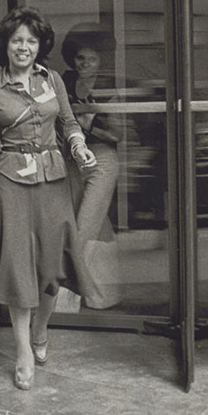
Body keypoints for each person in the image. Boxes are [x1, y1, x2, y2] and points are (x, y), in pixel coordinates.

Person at [0, 7, 96, 390]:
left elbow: (69, 123)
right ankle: (23, 349)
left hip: (54, 180)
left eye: (30, 41)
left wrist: (79, 148)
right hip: (10, 184)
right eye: (16, 41)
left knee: (51, 267)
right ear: (5, 46)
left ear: (40, 45)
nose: (23, 47)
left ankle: (42, 328)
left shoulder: (53, 80)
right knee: (18, 266)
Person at [60, 24, 125, 310]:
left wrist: (89, 127)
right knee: (97, 227)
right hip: (74, 162)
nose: (85, 65)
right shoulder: (65, 82)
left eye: (92, 59)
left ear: (102, 59)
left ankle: (64, 296)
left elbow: (117, 135)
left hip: (102, 160)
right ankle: (104, 295)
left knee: (82, 228)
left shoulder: (110, 86)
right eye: (80, 59)